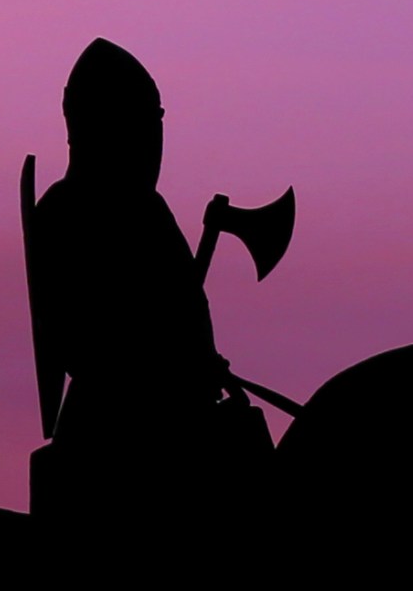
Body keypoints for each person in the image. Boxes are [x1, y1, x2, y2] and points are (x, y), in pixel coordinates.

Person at [21, 38, 272, 535]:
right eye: (143, 124)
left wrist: (202, 360)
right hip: (116, 434)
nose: (154, 141)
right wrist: (173, 359)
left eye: (156, 123)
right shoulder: (66, 211)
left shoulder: (148, 209)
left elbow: (181, 308)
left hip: (181, 412)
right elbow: (83, 341)